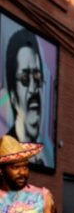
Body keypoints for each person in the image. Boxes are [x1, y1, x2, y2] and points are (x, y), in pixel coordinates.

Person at [4, 29, 45, 166]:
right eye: (25, 78)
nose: (33, 89)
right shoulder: (5, 150)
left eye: (38, 77)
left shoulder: (42, 159)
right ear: (13, 95)